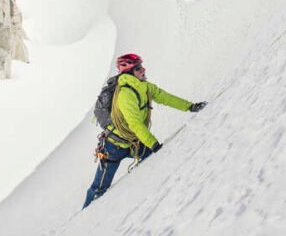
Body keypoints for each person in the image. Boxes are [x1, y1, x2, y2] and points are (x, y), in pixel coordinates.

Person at [82, 53, 207, 209]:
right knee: (98, 189)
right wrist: (153, 144)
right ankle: (84, 216)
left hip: (133, 142)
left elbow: (165, 97)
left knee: (152, 163)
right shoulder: (125, 95)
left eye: (141, 66)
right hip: (113, 147)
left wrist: (190, 107)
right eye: (138, 68)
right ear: (129, 72)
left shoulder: (145, 87)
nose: (143, 69)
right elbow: (134, 123)